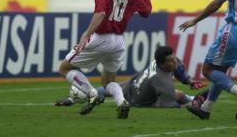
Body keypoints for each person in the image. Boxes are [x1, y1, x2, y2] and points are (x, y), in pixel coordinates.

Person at [58, 0, 152, 119]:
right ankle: (121, 101)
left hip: (100, 38)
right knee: (108, 81)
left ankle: (91, 93)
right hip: (118, 42)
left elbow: (101, 13)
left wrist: (86, 36)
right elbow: (146, 11)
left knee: (64, 68)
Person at [55, 46, 207, 108]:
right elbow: (169, 105)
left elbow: (178, 68)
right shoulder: (161, 81)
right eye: (171, 61)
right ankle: (193, 100)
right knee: (177, 95)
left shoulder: (160, 62)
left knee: (105, 89)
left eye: (174, 58)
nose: (174, 61)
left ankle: (71, 99)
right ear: (162, 64)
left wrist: (190, 81)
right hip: (137, 99)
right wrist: (189, 106)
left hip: (130, 84)